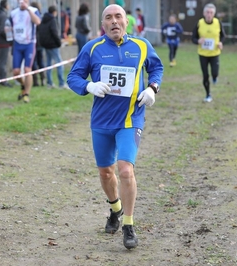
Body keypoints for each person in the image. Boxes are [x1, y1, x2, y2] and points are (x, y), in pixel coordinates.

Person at [67, 4, 163, 250]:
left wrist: (153, 88)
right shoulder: (93, 48)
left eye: (118, 17)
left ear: (126, 22)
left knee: (125, 171)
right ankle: (115, 208)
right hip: (101, 122)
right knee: (106, 173)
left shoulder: (141, 46)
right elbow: (73, 77)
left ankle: (129, 225)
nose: (114, 22)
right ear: (103, 24)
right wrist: (89, 86)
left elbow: (157, 68)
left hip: (130, 120)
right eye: (108, 18)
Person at [191, 3, 225, 103]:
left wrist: (220, 43)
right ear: (204, 13)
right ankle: (208, 94)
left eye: (211, 12)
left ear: (214, 14)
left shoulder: (218, 22)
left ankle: (215, 77)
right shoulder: (199, 23)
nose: (209, 14)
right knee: (205, 75)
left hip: (215, 53)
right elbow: (193, 37)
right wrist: (198, 41)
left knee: (214, 73)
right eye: (207, 12)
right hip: (203, 54)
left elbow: (223, 36)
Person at [10, 0, 41, 103]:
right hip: (17, 44)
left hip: (29, 44)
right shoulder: (13, 13)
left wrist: (28, 9)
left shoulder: (33, 10)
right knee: (16, 72)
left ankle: (26, 94)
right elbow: (9, 26)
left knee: (28, 70)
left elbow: (37, 22)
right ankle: (23, 85)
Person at [39, 5, 67, 89]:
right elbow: (54, 33)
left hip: (46, 45)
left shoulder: (43, 20)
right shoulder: (52, 20)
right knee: (59, 64)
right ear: (54, 12)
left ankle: (49, 83)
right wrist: (59, 43)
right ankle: (61, 83)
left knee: (48, 64)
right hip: (53, 45)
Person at [0, 0, 13, 87]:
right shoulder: (4, 16)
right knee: (3, 62)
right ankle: (3, 80)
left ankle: (0, 79)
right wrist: (8, 39)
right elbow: (2, 30)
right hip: (3, 42)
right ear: (5, 5)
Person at [30, 1, 45, 87]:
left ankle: (35, 81)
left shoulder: (31, 18)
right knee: (41, 61)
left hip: (34, 42)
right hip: (40, 42)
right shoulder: (41, 17)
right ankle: (42, 79)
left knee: (34, 62)